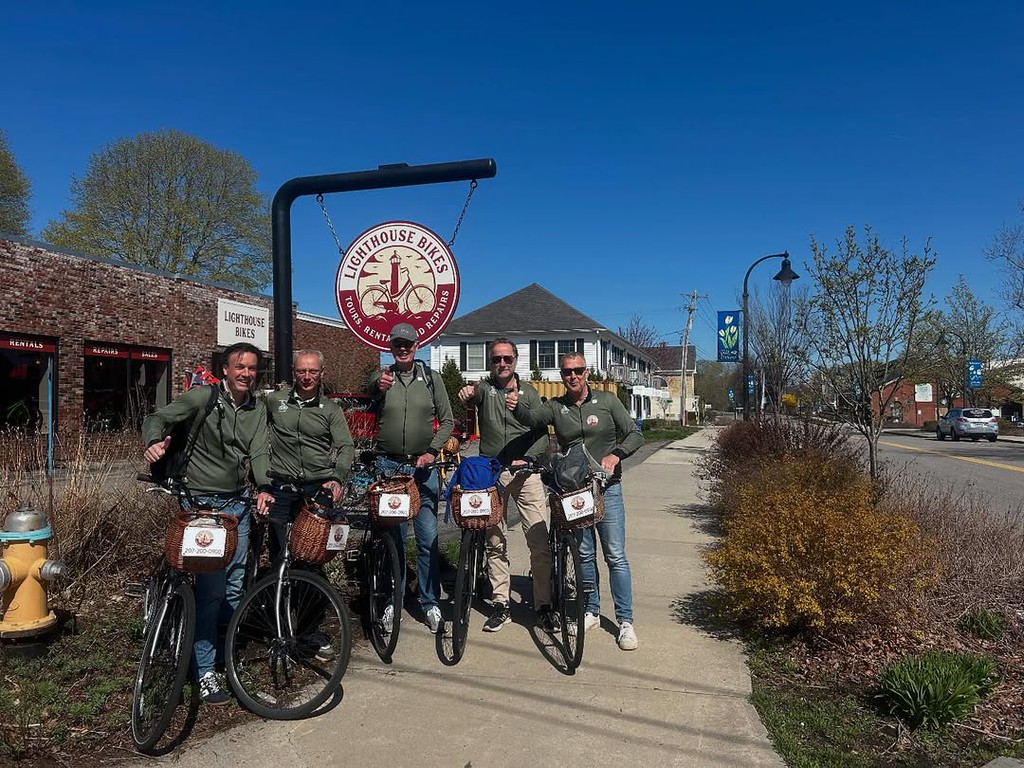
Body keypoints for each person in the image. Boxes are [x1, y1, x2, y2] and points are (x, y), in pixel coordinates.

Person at [142, 342, 275, 703]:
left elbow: (259, 451)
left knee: (235, 586)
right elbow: (158, 418)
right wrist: (153, 442)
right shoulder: (204, 398)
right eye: (240, 367)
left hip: (238, 506)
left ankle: (221, 653)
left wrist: (263, 486)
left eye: (252, 368)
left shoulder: (257, 410)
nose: (246, 373)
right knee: (213, 591)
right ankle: (205, 671)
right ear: (227, 370)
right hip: (202, 504)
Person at [510, 352, 643, 651]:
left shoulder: (608, 402)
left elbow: (635, 434)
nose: (573, 376)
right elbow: (531, 420)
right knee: (583, 555)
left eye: (578, 370)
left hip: (607, 489)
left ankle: (625, 621)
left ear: (586, 372)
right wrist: (515, 402)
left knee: (615, 556)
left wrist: (616, 454)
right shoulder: (556, 407)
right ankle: (591, 611)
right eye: (567, 372)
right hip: (575, 493)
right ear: (562, 375)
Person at [457, 338, 554, 632]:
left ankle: (544, 604)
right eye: (497, 359)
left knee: (538, 541)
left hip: (526, 474)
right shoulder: (485, 390)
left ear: (515, 361)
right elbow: (472, 395)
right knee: (495, 540)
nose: (502, 363)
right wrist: (467, 392)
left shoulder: (530, 393)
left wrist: (531, 458)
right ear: (490, 362)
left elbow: (541, 430)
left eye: (507, 359)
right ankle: (501, 603)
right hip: (492, 473)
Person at [368, 323, 455, 633]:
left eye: (408, 343)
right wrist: (376, 388)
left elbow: (447, 421)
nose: (402, 348)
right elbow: (367, 403)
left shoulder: (431, 380)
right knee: (393, 540)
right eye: (397, 344)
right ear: (391, 347)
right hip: (390, 467)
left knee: (428, 539)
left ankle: (431, 603)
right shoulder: (382, 379)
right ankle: (393, 600)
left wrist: (432, 451)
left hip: (423, 469)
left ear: (417, 345)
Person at [265, 349, 355, 562]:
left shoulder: (330, 409)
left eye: (313, 371)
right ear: (294, 372)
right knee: (279, 552)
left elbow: (346, 446)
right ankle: (278, 590)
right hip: (282, 484)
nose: (307, 377)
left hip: (317, 487)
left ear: (322, 372)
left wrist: (337, 477)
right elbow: (255, 436)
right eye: (301, 371)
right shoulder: (276, 401)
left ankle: (309, 590)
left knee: (312, 553)